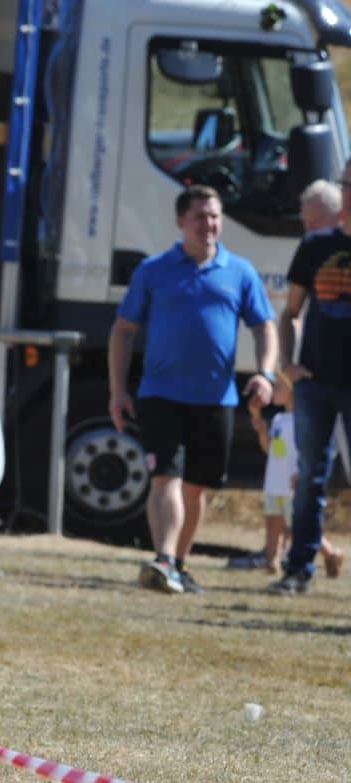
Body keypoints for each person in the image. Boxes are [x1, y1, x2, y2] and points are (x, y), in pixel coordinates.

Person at [109, 185, 277, 597]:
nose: (210, 224)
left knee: (196, 486)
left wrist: (266, 374)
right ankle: (164, 558)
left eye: (215, 216)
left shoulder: (240, 272)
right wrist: (118, 391)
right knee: (165, 477)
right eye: (201, 216)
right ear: (181, 221)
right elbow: (123, 331)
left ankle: (177, 566)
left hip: (216, 398)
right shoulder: (154, 270)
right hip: (160, 394)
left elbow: (264, 327)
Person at [269, 171, 351, 596]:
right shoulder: (317, 246)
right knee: (309, 478)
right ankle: (298, 569)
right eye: (348, 184)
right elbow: (290, 312)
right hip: (315, 383)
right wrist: (288, 364)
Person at [231, 369, 342, 576]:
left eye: (278, 387)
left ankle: (330, 553)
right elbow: (270, 448)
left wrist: (302, 473)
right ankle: (271, 560)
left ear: (293, 392)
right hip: (275, 482)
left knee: (298, 527)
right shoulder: (279, 420)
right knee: (273, 521)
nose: (273, 391)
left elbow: (311, 453)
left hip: (293, 485)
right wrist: (261, 428)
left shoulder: (306, 422)